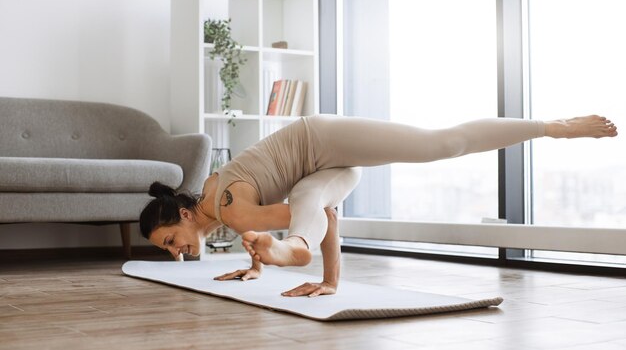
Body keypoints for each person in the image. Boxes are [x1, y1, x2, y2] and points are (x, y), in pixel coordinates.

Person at [140, 114, 617, 297]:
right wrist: (328, 281)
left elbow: (283, 215)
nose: (175, 252)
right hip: (324, 175)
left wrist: (273, 250)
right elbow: (317, 208)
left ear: (182, 215)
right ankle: (291, 251)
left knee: (442, 141)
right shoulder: (215, 198)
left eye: (168, 243)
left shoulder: (230, 210)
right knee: (308, 199)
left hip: (322, 139)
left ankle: (551, 126)